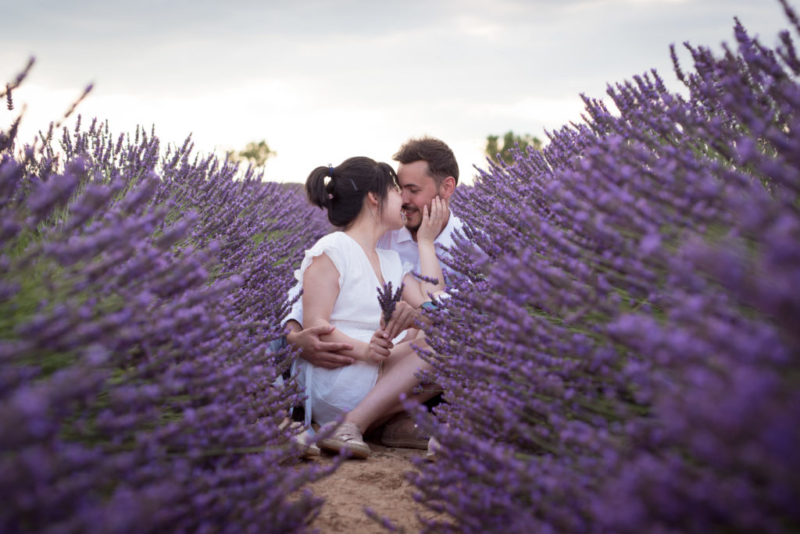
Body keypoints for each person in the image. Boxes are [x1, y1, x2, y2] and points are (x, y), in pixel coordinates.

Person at [283, 138, 464, 451]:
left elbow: (438, 310)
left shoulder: (391, 260)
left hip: (372, 370)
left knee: (456, 342)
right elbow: (316, 324)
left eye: (410, 190)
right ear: (374, 199)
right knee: (442, 344)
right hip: (339, 373)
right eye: (397, 190)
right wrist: (365, 350)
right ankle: (355, 425)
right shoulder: (334, 248)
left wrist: (426, 244)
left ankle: (380, 426)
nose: (404, 200)